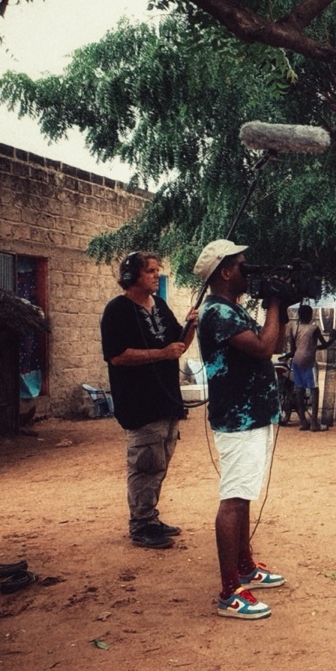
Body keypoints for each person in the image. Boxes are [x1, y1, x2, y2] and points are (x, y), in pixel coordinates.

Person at [193, 239, 286, 621]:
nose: (248, 270)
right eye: (242, 264)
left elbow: (270, 343)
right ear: (225, 272)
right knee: (234, 498)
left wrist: (275, 304)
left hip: (253, 415)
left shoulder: (231, 309)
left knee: (244, 494)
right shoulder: (217, 312)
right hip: (239, 418)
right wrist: (276, 303)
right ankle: (230, 590)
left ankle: (245, 566)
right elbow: (264, 348)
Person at [100, 251, 197, 549]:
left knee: (160, 462)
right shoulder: (117, 310)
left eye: (158, 270)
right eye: (150, 271)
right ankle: (141, 524)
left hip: (166, 400)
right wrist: (160, 353)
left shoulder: (160, 305)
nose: (157, 275)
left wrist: (190, 326)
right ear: (132, 277)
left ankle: (150, 517)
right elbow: (117, 356)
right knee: (144, 464)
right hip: (140, 404)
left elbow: (177, 347)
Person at [286, 303, 331, 431]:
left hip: (296, 362)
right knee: (314, 390)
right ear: (311, 315)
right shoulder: (314, 329)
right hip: (308, 362)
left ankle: (303, 422)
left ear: (299, 315)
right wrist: (332, 340)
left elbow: (293, 349)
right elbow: (324, 345)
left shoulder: (294, 328)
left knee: (299, 391)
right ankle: (314, 424)